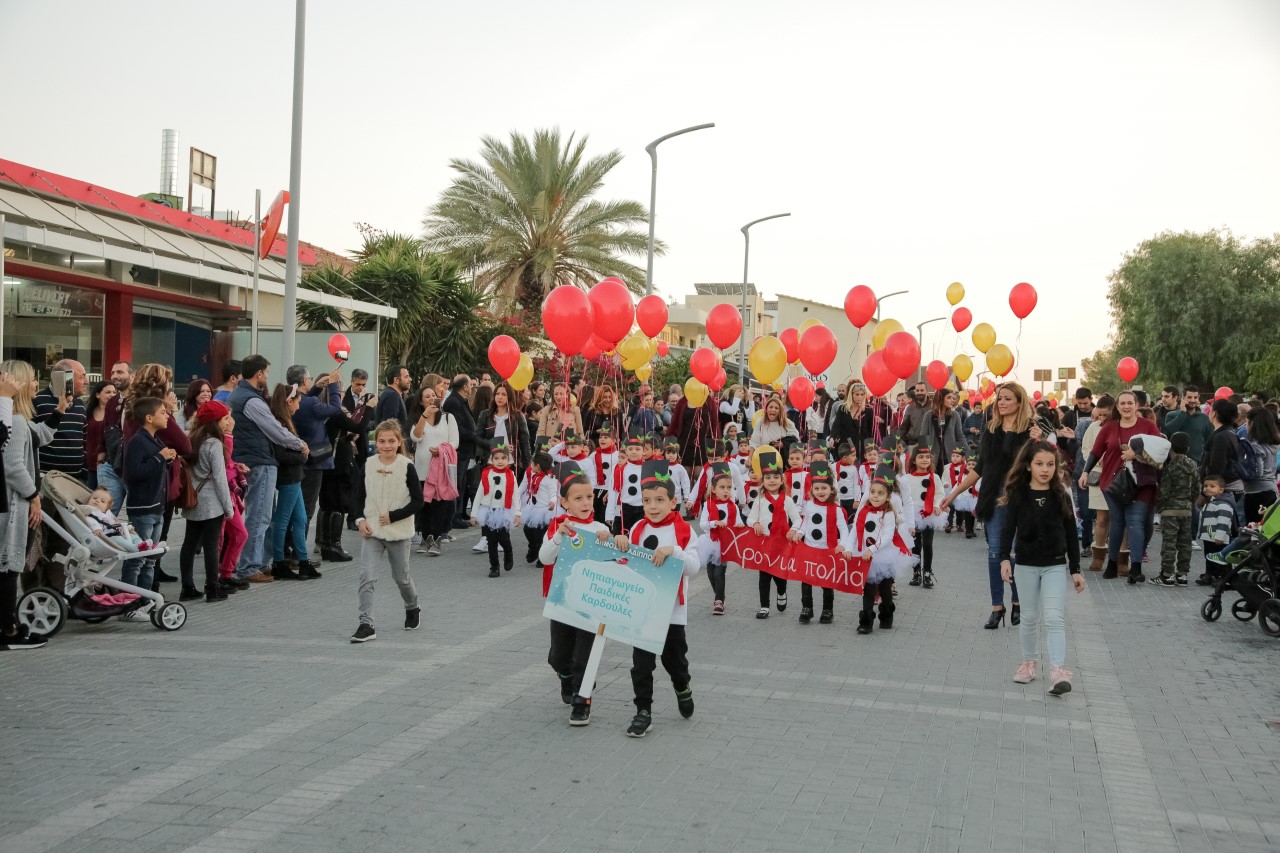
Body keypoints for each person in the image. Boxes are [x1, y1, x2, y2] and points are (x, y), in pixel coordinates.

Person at [941, 382, 1042, 628]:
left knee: (1018, 551)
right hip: (994, 497)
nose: (1002, 402)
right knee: (996, 552)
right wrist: (953, 494)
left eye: (1007, 398)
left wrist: (1038, 442)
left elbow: (1042, 465)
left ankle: (1018, 601)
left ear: (1020, 401)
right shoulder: (991, 429)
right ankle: (998, 607)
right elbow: (981, 468)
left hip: (1021, 497)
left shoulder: (1031, 430)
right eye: (999, 399)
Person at [615, 460, 699, 738]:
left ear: (673, 502)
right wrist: (621, 543)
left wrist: (674, 550)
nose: (652, 506)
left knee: (674, 661)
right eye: (647, 500)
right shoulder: (637, 527)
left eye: (659, 500)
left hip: (672, 611)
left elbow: (694, 568)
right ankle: (643, 712)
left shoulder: (684, 531)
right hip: (644, 610)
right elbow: (626, 563)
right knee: (641, 664)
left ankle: (682, 685)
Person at [998, 441, 1085, 696]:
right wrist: (1004, 559)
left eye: (1050, 464)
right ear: (1028, 466)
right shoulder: (1018, 493)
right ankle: (1029, 663)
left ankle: (1058, 670)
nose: (1045, 469)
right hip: (1025, 564)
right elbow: (1007, 529)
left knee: (1054, 617)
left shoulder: (1062, 493)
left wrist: (1076, 569)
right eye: (1039, 464)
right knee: (1029, 617)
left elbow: (1071, 534)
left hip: (1055, 564)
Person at [538, 462, 611, 724]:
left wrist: (615, 542)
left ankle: (582, 703)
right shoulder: (559, 525)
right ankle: (564, 675)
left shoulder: (600, 528)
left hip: (591, 605)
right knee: (560, 655)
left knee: (585, 656)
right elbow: (545, 558)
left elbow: (613, 566)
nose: (585, 502)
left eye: (589, 497)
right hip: (562, 601)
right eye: (578, 498)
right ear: (564, 502)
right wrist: (559, 535)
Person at [229, 355, 308, 584]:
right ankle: (250, 567)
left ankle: (259, 563)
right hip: (259, 461)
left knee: (262, 515)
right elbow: (273, 429)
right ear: (259, 373)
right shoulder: (251, 400)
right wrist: (299, 443)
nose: (267, 377)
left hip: (251, 459)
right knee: (259, 516)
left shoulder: (240, 395)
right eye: (266, 372)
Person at [1, 363, 58, 649]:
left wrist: (60, 412)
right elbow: (13, 467)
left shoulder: (19, 420)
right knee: (9, 566)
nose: (37, 385)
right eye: (34, 380)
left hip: (13, 503)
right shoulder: (16, 420)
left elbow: (41, 436)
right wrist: (34, 495)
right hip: (13, 506)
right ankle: (9, 629)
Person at [350, 420, 423, 643]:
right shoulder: (369, 465)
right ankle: (366, 624)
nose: (386, 445)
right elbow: (358, 497)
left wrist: (394, 515)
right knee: (367, 577)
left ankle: (412, 607)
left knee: (401, 578)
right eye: (381, 441)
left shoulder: (406, 466)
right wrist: (360, 520)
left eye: (391, 441)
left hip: (398, 532)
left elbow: (418, 501)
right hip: (372, 531)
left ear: (399, 442)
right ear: (376, 442)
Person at [1078, 390, 1161, 583]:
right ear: (1117, 406)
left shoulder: (1148, 426)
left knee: (1135, 522)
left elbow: (1159, 450)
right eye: (1122, 403)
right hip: (1113, 482)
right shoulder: (1109, 427)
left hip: (1142, 482)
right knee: (1117, 523)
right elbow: (1096, 451)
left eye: (1130, 403)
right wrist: (1085, 472)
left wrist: (1137, 454)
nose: (1126, 406)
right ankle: (1112, 563)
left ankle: (1136, 567)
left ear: (1136, 405)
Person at [179, 401, 236, 603]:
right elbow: (220, 479)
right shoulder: (214, 444)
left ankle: (187, 587)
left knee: (189, 543)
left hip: (192, 499)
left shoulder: (191, 439)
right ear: (215, 421)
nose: (228, 421)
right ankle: (213, 587)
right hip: (212, 502)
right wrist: (228, 508)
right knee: (211, 545)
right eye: (225, 418)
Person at [848, 465, 913, 635]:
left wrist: (872, 549)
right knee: (867, 590)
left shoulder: (888, 514)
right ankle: (866, 621)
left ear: (888, 496)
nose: (875, 496)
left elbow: (887, 537)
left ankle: (886, 615)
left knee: (885, 589)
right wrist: (848, 547)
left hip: (883, 556)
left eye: (880, 493)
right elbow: (855, 530)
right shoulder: (863, 511)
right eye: (873, 492)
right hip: (865, 555)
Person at [121, 396, 177, 595]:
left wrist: (166, 460)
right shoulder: (138, 441)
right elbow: (133, 473)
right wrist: (159, 457)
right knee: (138, 558)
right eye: (163, 412)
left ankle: (146, 598)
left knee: (150, 561)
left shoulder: (154, 439)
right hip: (143, 509)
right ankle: (128, 600)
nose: (167, 416)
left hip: (156, 508)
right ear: (149, 418)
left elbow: (154, 467)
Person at [267, 384, 319, 580]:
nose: (299, 405)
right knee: (283, 520)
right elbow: (281, 453)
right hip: (289, 476)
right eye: (297, 402)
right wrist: (303, 456)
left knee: (300, 519)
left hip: (294, 476)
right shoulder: (280, 422)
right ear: (289, 402)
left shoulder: (284, 421)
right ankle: (279, 562)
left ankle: (303, 561)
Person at [786, 460, 848, 624]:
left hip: (828, 551)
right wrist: (799, 533)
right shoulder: (810, 506)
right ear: (812, 490)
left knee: (827, 582)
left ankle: (828, 610)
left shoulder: (837, 510)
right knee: (806, 580)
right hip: (810, 550)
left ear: (831, 489)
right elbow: (805, 524)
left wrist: (843, 544)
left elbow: (844, 529)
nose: (821, 492)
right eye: (817, 488)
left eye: (824, 488)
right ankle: (807, 608)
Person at [746, 448, 795, 619]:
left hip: (781, 544)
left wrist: (794, 531)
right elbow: (749, 519)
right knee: (764, 575)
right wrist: (756, 523)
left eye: (775, 477)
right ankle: (764, 606)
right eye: (768, 478)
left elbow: (797, 520)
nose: (772, 481)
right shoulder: (759, 501)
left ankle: (782, 592)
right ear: (763, 481)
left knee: (779, 574)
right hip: (764, 544)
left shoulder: (787, 501)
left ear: (782, 480)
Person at [411, 385, 458, 557]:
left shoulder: (447, 418)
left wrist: (442, 450)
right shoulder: (418, 417)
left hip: (441, 468)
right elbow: (416, 437)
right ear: (421, 402)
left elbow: (455, 441)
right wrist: (424, 416)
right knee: (424, 505)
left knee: (439, 505)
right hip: (422, 468)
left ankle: (437, 539)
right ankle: (425, 537)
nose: (431, 399)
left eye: (433, 395)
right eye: (427, 397)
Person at [1152, 432, 1198, 586]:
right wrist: (1190, 502)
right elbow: (1196, 489)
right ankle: (1183, 575)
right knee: (1185, 543)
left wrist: (1160, 506)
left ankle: (1167, 575)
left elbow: (1164, 490)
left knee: (1169, 544)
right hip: (1186, 509)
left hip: (1170, 510)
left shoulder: (1170, 467)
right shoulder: (1193, 465)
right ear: (1188, 448)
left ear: (1170, 447)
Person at [471, 441, 522, 577]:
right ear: (491, 460)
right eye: (497, 458)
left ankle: (508, 553)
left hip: (504, 512)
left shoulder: (511, 475)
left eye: (503, 458)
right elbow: (479, 495)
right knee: (491, 541)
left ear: (508, 459)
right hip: (488, 511)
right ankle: (494, 567)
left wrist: (517, 513)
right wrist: (474, 514)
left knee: (504, 539)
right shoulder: (486, 474)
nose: (500, 461)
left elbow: (515, 495)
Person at [696, 463, 741, 616]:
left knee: (719, 573)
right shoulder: (708, 505)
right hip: (710, 542)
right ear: (714, 489)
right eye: (722, 487)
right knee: (710, 572)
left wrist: (742, 526)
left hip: (725, 544)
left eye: (729, 487)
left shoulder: (733, 507)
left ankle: (718, 602)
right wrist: (714, 523)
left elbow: (738, 522)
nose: (726, 491)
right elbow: (702, 525)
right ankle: (720, 596)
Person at [33, 357, 87, 480]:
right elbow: (31, 440)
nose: (87, 381)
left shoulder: (80, 404)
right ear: (65, 378)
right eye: (82, 377)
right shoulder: (37, 401)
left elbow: (85, 438)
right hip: (46, 479)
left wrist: (84, 469)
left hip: (76, 478)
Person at [902, 444, 946, 588]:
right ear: (914, 460)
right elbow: (905, 497)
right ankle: (916, 573)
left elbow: (939, 494)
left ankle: (927, 572)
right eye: (921, 457)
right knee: (915, 545)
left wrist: (936, 506)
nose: (925, 460)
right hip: (913, 514)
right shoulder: (907, 478)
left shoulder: (935, 477)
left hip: (929, 514)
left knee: (927, 544)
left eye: (928, 457)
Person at [1201, 398, 1245, 530]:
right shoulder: (1230, 432)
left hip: (1224, 489)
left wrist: (1206, 492)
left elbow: (1216, 467)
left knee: (1216, 532)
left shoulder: (1221, 436)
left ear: (1214, 413)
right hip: (1230, 487)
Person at [442, 374, 478, 527]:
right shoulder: (454, 402)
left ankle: (459, 513)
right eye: (470, 384)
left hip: (465, 451)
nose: (472, 387)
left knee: (461, 483)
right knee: (456, 483)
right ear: (464, 387)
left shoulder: (459, 400)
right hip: (460, 450)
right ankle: (454, 517)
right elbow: (458, 428)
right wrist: (475, 435)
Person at [475, 382, 532, 476]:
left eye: (504, 394)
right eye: (497, 394)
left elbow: (525, 444)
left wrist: (528, 468)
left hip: (511, 464)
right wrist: (499, 445)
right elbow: (477, 438)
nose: (499, 397)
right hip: (489, 463)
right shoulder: (485, 415)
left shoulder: (517, 416)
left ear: (510, 396)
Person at [1240, 406, 1279, 524]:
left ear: (1253, 424)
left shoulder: (1255, 446)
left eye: (1247, 422)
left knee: (1254, 532)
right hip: (1271, 490)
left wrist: (1241, 468)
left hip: (1256, 493)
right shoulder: (1273, 444)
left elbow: (1257, 472)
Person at [519, 451, 557, 565]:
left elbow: (554, 493)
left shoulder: (550, 479)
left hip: (544, 510)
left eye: (532, 463)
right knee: (527, 530)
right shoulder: (533, 475)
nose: (530, 465)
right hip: (532, 508)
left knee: (540, 535)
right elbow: (524, 486)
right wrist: (515, 495)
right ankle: (533, 548)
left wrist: (552, 502)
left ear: (538, 466)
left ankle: (542, 557)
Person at [607, 432, 649, 535]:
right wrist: (609, 514)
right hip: (625, 509)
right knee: (621, 537)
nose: (634, 452)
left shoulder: (648, 468)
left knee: (639, 538)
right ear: (626, 451)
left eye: (637, 449)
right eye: (630, 449)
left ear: (643, 451)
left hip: (643, 509)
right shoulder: (619, 470)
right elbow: (613, 492)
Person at [828, 382, 883, 458]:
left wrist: (872, 446)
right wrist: (832, 437)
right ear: (851, 395)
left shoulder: (868, 410)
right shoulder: (843, 408)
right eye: (857, 394)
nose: (860, 397)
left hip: (862, 446)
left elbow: (871, 430)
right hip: (846, 445)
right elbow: (836, 425)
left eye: (862, 394)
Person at [919, 390, 967, 473]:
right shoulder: (929, 415)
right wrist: (923, 457)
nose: (952, 400)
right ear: (940, 399)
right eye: (949, 397)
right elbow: (923, 437)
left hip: (950, 456)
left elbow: (960, 436)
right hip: (932, 456)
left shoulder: (955, 415)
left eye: (953, 398)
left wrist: (969, 453)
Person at [1161, 386, 1212, 462]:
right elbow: (1169, 431)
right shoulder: (1171, 415)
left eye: (1195, 397)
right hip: (1175, 463)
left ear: (1198, 398)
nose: (1192, 400)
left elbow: (1210, 441)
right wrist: (1182, 413)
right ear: (1183, 397)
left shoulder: (1205, 418)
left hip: (1198, 463)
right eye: (1189, 397)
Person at [83, 380, 117, 490]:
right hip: (88, 465)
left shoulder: (116, 415)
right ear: (98, 395)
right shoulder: (87, 412)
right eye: (108, 392)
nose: (112, 395)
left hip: (107, 465)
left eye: (114, 392)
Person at [945, 447, 977, 537]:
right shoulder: (963, 475)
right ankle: (968, 531)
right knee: (967, 515)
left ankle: (971, 529)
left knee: (972, 515)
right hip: (967, 498)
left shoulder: (978, 476)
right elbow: (959, 485)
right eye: (969, 464)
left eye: (973, 465)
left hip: (975, 497)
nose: (971, 466)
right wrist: (952, 493)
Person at [376, 365, 411, 432]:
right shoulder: (392, 396)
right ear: (396, 380)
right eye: (406, 376)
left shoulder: (392, 394)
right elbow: (390, 426)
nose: (410, 379)